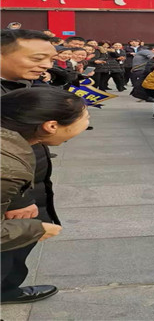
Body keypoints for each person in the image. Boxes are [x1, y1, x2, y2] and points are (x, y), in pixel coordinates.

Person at [1, 88, 90, 305]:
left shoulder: (12, 146)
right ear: (51, 126)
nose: (87, 122)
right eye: (85, 117)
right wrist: (34, 229)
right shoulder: (7, 167)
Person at [0, 30, 60, 304]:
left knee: (18, 246)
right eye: (37, 58)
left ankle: (7, 289)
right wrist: (17, 200)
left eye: (51, 59)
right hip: (10, 195)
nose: (46, 65)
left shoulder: (20, 85)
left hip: (25, 182)